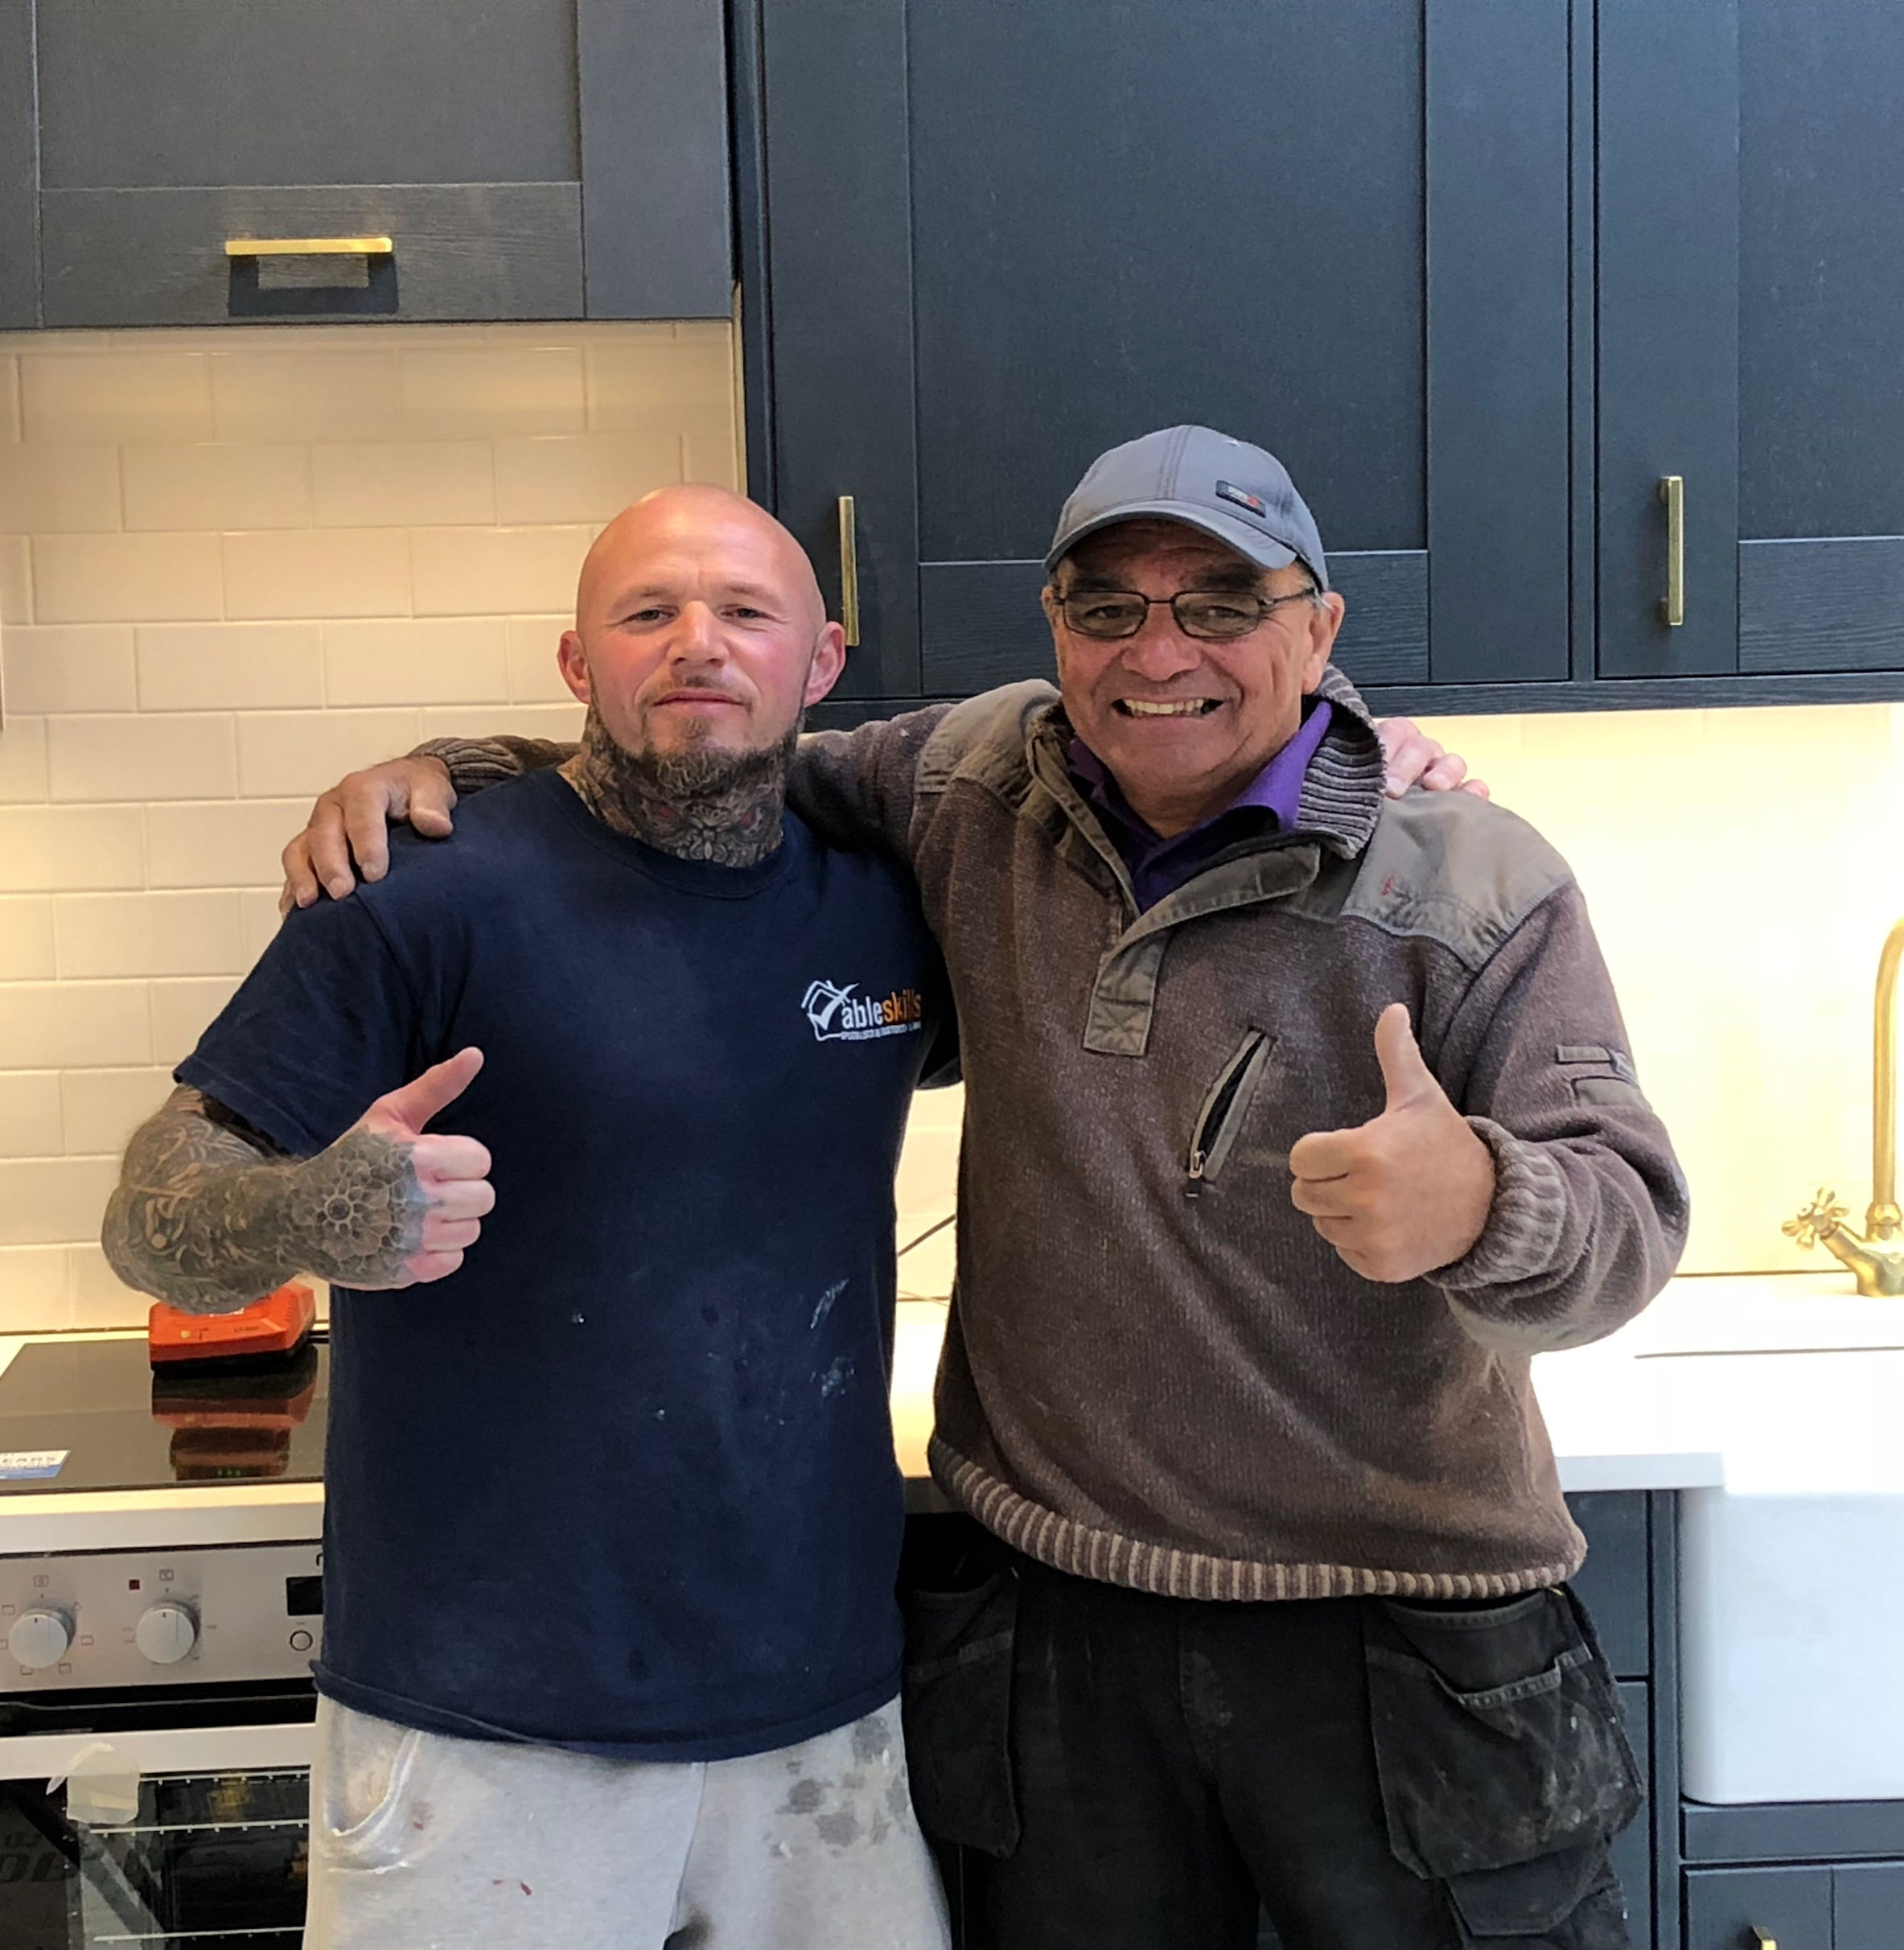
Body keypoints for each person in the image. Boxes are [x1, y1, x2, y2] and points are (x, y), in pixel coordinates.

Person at [283, 427, 1690, 1949]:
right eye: (1109, 607)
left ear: (1319, 628)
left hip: (1394, 1640)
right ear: (1056, 629)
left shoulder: (1472, 879)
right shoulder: (971, 785)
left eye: (1222, 603)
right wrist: (454, 771)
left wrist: (1484, 1204)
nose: (1161, 652)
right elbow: (708, 755)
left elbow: (1629, 1218)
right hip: (1060, 1640)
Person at [100, 483, 963, 1950]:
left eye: (746, 612)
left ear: (822, 663)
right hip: (483, 1721)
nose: (699, 644)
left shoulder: (889, 904)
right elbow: (147, 1212)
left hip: (820, 1705)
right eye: (648, 613)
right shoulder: (416, 893)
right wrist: (308, 1214)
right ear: (576, 663)